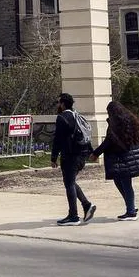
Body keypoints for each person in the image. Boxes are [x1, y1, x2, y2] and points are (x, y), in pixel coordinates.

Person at [90, 100, 139, 220]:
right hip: (130, 157)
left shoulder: (115, 125)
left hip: (123, 159)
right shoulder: (131, 120)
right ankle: (130, 205)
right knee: (119, 181)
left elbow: (108, 141)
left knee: (126, 184)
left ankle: (131, 212)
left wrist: (95, 153)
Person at [50, 92, 95, 226]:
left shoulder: (62, 118)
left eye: (58, 102)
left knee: (69, 184)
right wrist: (91, 152)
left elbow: (58, 139)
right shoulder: (77, 116)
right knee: (70, 182)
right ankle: (86, 205)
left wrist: (53, 157)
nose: (57, 105)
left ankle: (73, 216)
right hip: (81, 154)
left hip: (70, 155)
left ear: (63, 104)